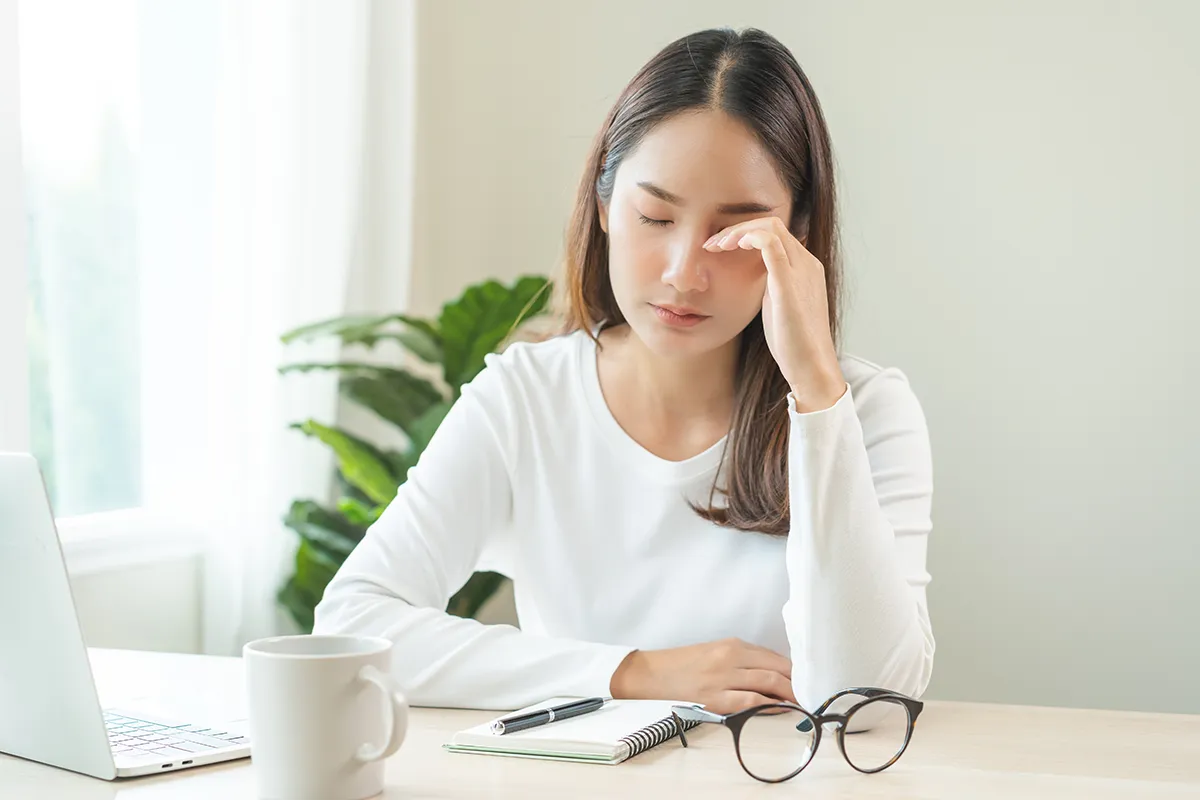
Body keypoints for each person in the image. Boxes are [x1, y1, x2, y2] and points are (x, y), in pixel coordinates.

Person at [314, 27, 935, 716]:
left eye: (736, 235)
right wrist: (636, 673)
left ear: (795, 238)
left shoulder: (868, 413)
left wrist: (819, 395)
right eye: (655, 215)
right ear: (606, 205)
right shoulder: (527, 399)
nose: (683, 273)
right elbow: (352, 623)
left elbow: (871, 701)